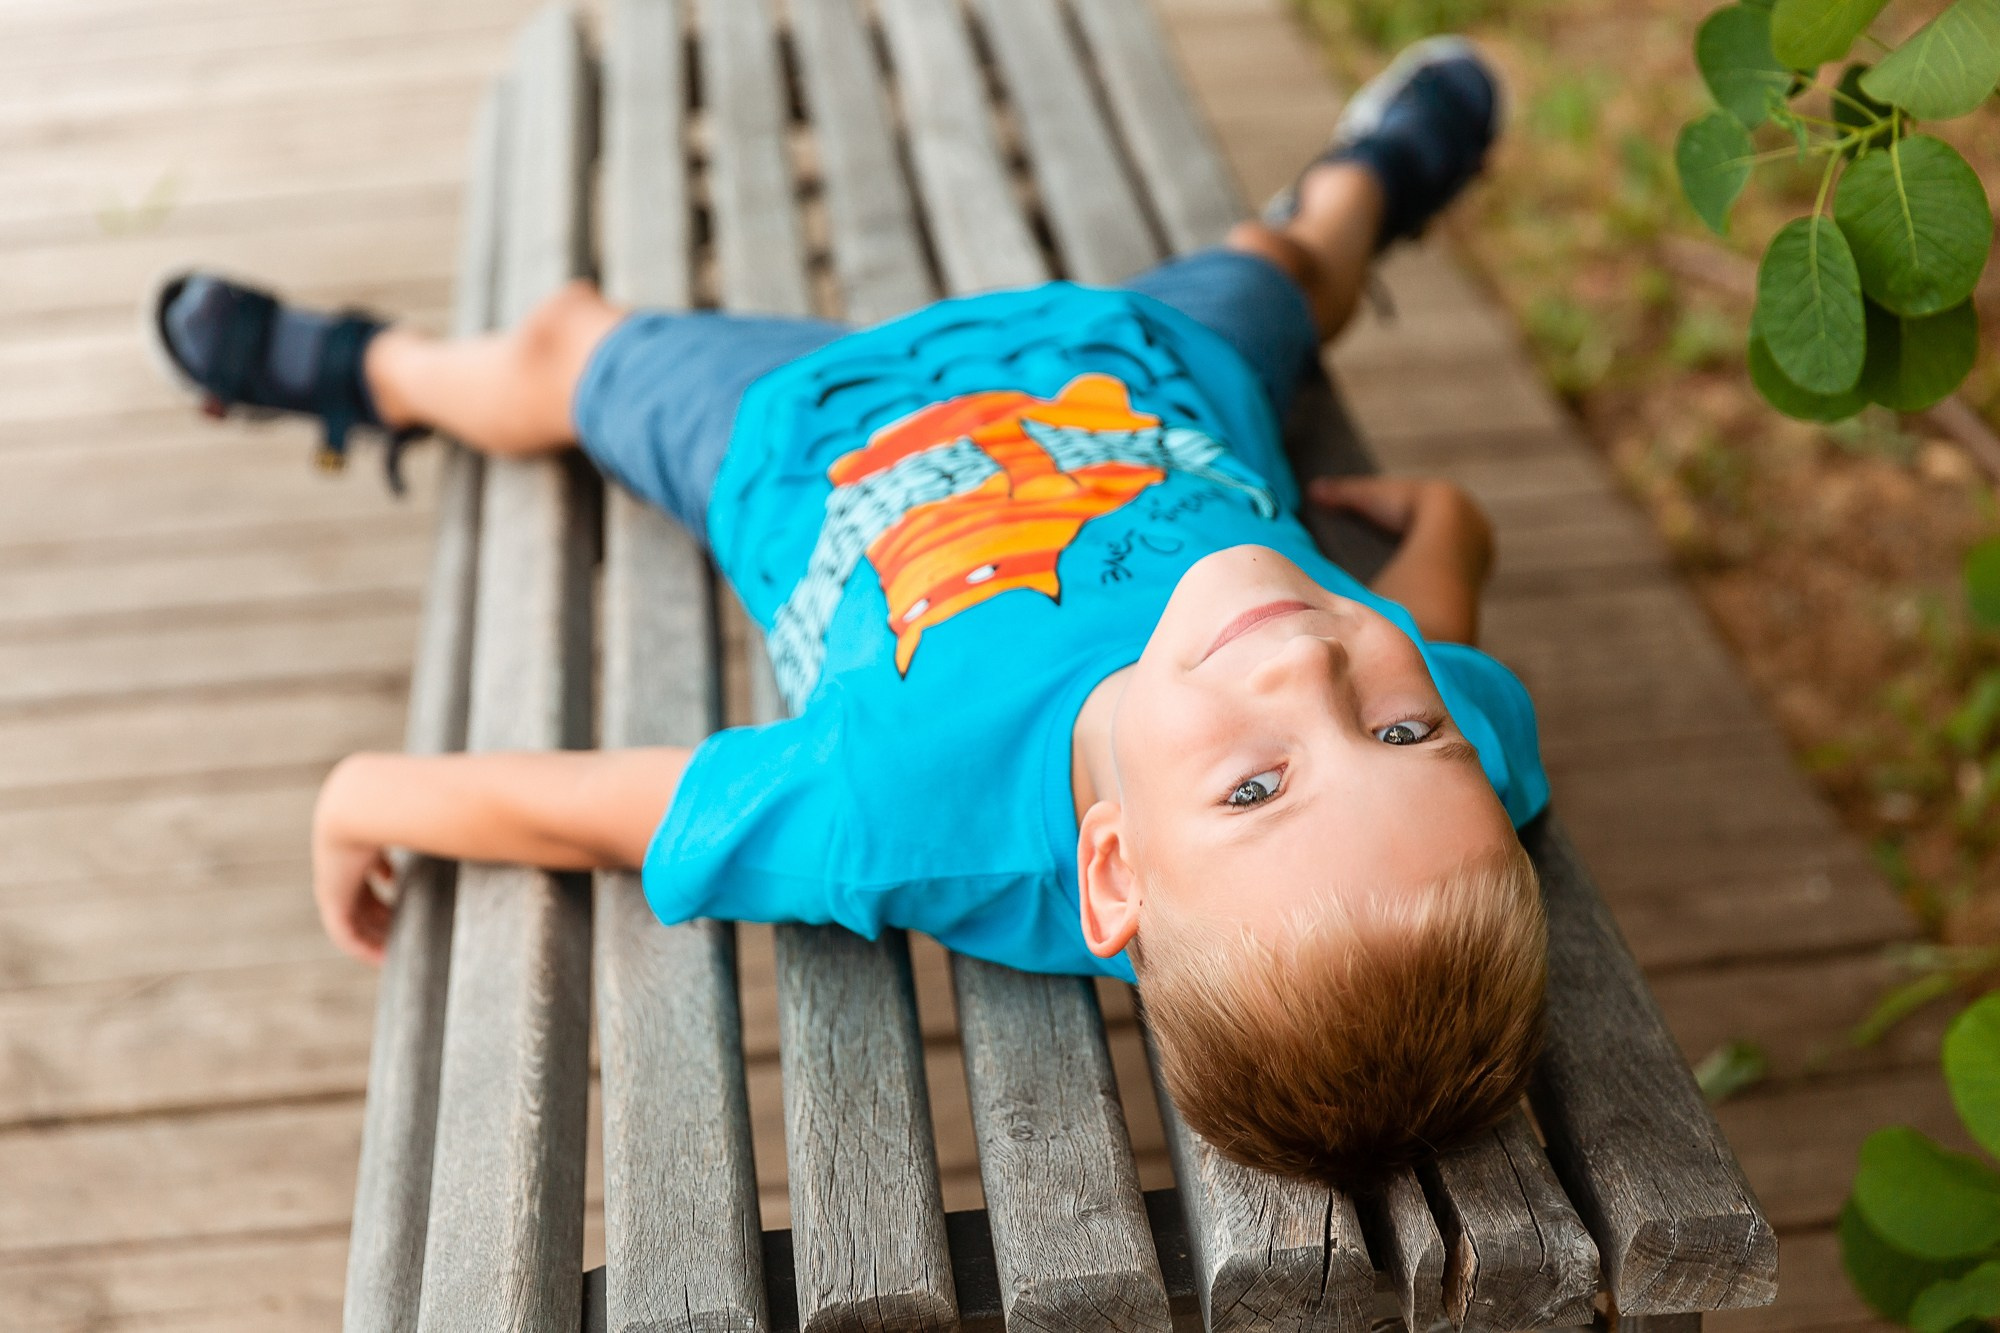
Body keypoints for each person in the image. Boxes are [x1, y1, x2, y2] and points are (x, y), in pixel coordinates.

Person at [149, 38, 1547, 1186]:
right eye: (1401, 731)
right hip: (1141, 363)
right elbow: (1449, 657)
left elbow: (616, 810)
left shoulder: (905, 803)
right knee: (1283, 267)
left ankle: (372, 372)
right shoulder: (1445, 736)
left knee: (566, 345)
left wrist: (368, 791)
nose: (1311, 665)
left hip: (818, 432)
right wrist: (1454, 537)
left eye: (1254, 789)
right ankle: (1370, 180)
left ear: (1114, 869)